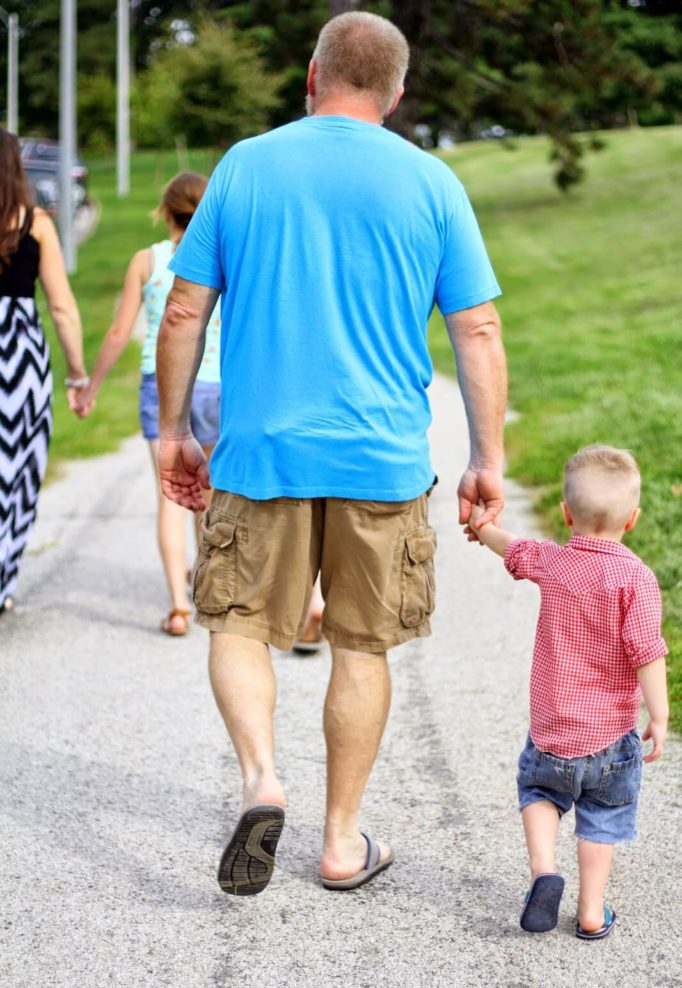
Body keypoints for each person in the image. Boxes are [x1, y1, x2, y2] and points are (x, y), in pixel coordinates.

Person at [155, 11, 506, 894]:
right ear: (395, 93)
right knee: (361, 648)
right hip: (381, 461)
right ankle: (342, 843)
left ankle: (261, 781)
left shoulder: (244, 165)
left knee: (238, 625)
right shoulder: (431, 181)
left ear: (311, 79)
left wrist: (173, 431)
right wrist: (486, 457)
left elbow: (185, 309)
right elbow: (478, 327)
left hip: (259, 454)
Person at [467, 445, 668, 939]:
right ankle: (592, 911)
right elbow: (648, 653)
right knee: (601, 820)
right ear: (633, 519)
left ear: (565, 513)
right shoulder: (637, 579)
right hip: (612, 740)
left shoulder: (554, 562)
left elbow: (510, 546)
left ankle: (544, 872)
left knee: (538, 793)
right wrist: (659, 718)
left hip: (553, 732)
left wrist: (479, 523)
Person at [74, 173, 221, 636]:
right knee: (211, 495)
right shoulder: (222, 258)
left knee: (171, 498)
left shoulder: (147, 260)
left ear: (164, 211)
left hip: (163, 387)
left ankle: (178, 607)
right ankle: (210, 588)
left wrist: (91, 384)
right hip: (219, 386)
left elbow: (120, 332)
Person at [0, 128, 87, 614]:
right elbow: (62, 309)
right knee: (16, 471)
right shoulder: (34, 223)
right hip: (18, 359)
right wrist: (77, 376)